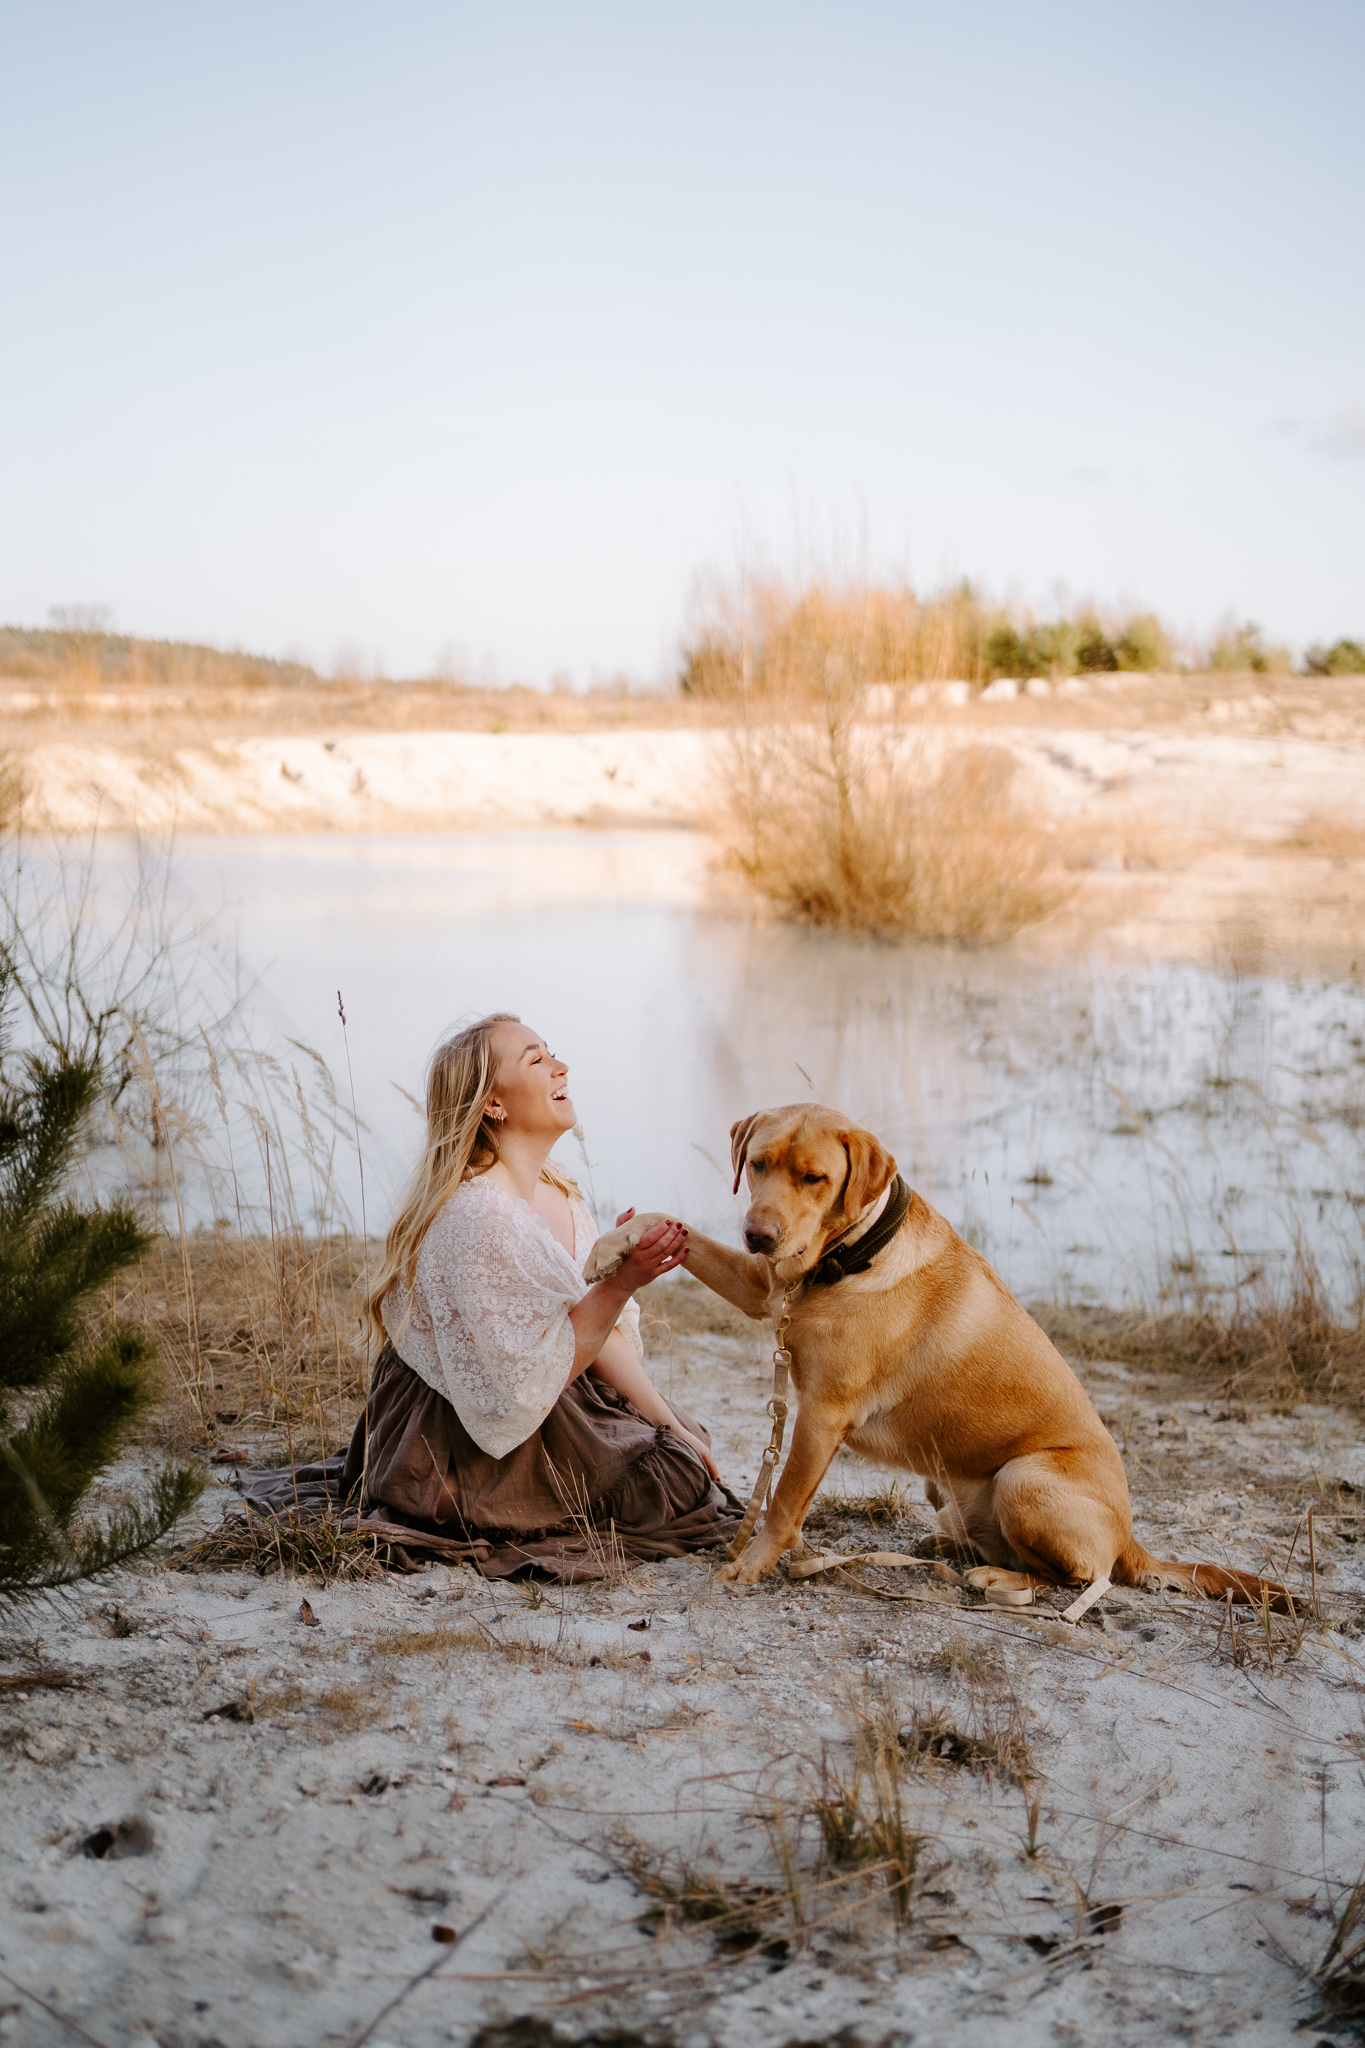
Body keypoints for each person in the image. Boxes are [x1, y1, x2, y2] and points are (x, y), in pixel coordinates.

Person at [338, 1012, 741, 1577]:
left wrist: (666, 1421)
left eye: (551, 1053)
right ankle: (462, 1498)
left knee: (683, 1444)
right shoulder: (477, 1217)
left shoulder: (556, 1190)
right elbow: (520, 1388)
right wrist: (620, 1283)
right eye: (536, 1060)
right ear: (492, 1105)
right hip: (460, 1427)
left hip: (541, 1386)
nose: (561, 1066)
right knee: (668, 1478)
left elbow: (594, 1336)